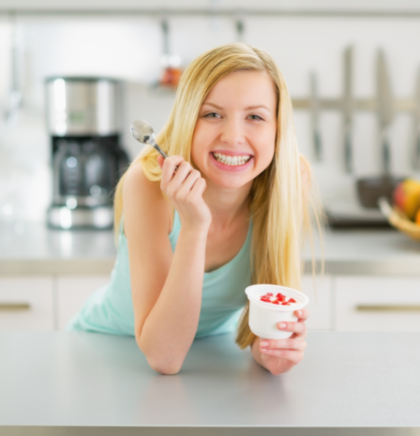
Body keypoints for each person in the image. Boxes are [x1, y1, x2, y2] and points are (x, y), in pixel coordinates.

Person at [68, 43, 321, 375]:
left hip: (212, 353)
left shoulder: (290, 180)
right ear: (189, 119)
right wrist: (194, 227)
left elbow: (265, 325)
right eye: (212, 114)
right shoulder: (148, 184)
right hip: (106, 351)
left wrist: (273, 349)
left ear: (277, 129)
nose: (233, 136)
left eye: (255, 117)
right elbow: (164, 357)